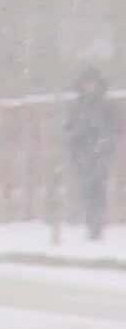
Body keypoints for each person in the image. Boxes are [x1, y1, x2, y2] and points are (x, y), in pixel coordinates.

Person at [65, 67, 118, 241]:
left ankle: (97, 224)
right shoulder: (78, 106)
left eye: (92, 83)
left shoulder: (105, 105)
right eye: (86, 84)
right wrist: (74, 148)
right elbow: (70, 129)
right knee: (86, 190)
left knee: (98, 189)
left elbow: (115, 128)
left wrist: (105, 145)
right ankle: (90, 223)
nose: (89, 87)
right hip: (83, 153)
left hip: (100, 152)